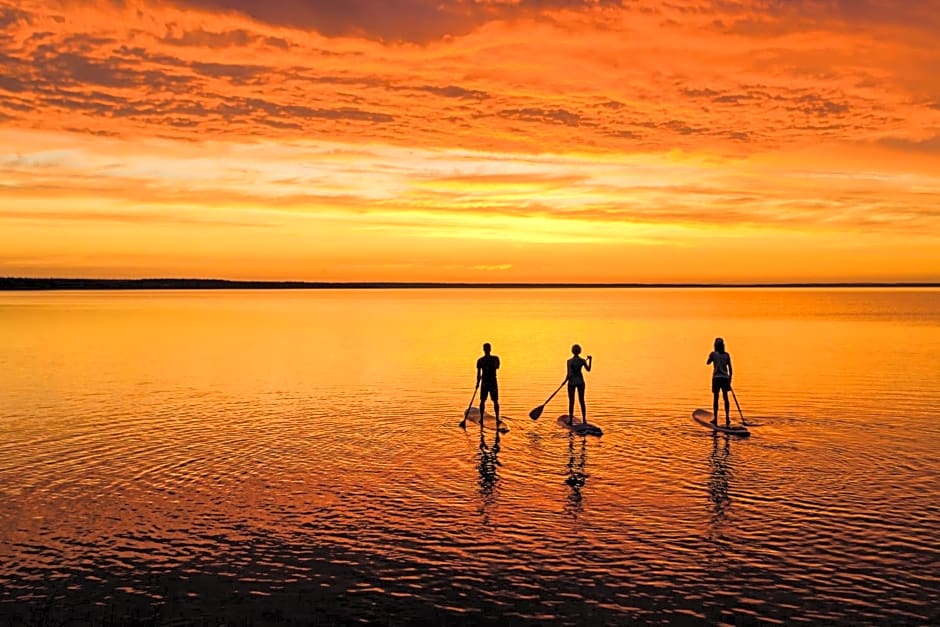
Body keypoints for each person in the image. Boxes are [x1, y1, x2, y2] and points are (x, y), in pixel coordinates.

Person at [706, 337, 733, 427]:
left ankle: (715, 419)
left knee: (716, 398)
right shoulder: (727, 355)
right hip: (725, 378)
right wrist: (730, 380)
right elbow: (731, 369)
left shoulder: (713, 354)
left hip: (717, 378)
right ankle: (727, 418)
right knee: (726, 398)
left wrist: (711, 356)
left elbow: (708, 363)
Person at [565, 344, 592, 425]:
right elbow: (588, 370)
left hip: (572, 382)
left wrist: (565, 380)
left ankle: (570, 421)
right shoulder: (582, 361)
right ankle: (584, 420)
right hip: (580, 382)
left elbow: (569, 374)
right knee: (582, 400)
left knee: (571, 401)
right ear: (580, 351)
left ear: (572, 351)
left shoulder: (569, 361)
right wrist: (590, 360)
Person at [477, 343, 500, 424]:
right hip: (489, 382)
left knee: (491, 400)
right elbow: (479, 373)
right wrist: (477, 383)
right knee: (490, 400)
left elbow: (479, 374)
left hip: (489, 382)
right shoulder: (494, 359)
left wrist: (477, 383)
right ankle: (494, 419)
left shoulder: (482, 360)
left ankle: (491, 419)